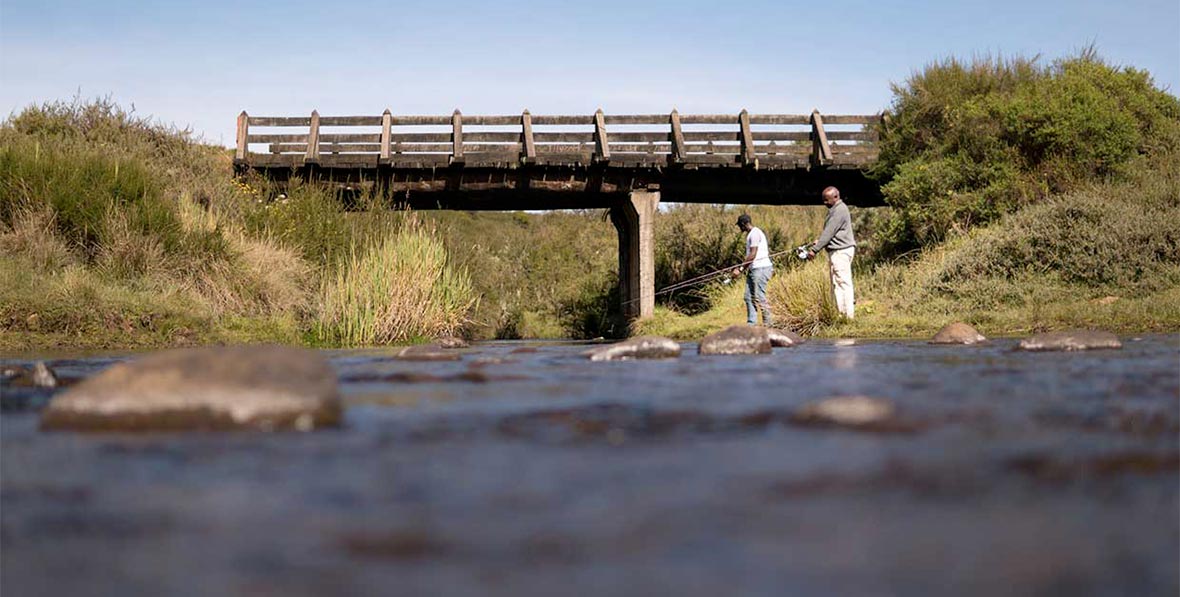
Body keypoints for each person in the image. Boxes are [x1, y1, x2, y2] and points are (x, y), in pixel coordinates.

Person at [808, 186, 857, 318]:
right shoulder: (837, 209)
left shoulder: (839, 210)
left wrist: (814, 250)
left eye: (826, 200)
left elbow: (829, 232)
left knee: (843, 283)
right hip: (839, 250)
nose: (824, 203)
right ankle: (842, 315)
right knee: (837, 283)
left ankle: (848, 317)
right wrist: (820, 242)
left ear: (836, 197)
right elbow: (833, 233)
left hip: (840, 252)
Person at [733, 214, 774, 326]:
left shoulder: (754, 234)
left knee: (760, 296)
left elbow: (753, 254)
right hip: (754, 269)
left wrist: (740, 269)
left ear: (743, 224)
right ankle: (751, 324)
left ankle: (769, 323)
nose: (740, 228)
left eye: (740, 226)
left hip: (761, 269)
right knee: (748, 296)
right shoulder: (752, 234)